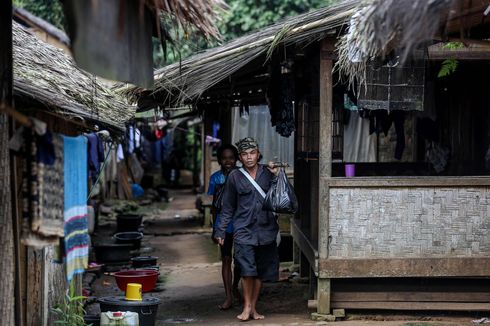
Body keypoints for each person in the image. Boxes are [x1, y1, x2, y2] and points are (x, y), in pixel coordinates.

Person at [214, 137, 279, 321]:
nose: (249, 157)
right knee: (246, 270)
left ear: (258, 154)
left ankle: (253, 308)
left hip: (265, 230)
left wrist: (277, 175)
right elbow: (227, 207)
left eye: (252, 153)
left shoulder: (268, 173)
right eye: (244, 154)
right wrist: (220, 231)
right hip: (243, 230)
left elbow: (282, 196)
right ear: (240, 158)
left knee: (259, 272)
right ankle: (246, 306)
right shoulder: (234, 177)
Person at [208, 144, 241, 310]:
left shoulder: (243, 176)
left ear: (236, 159)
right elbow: (214, 206)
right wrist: (215, 229)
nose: (228, 161)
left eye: (231, 157)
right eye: (224, 158)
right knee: (226, 259)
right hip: (224, 225)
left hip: (242, 224)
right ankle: (228, 296)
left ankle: (235, 286)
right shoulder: (215, 178)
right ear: (220, 160)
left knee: (241, 261)